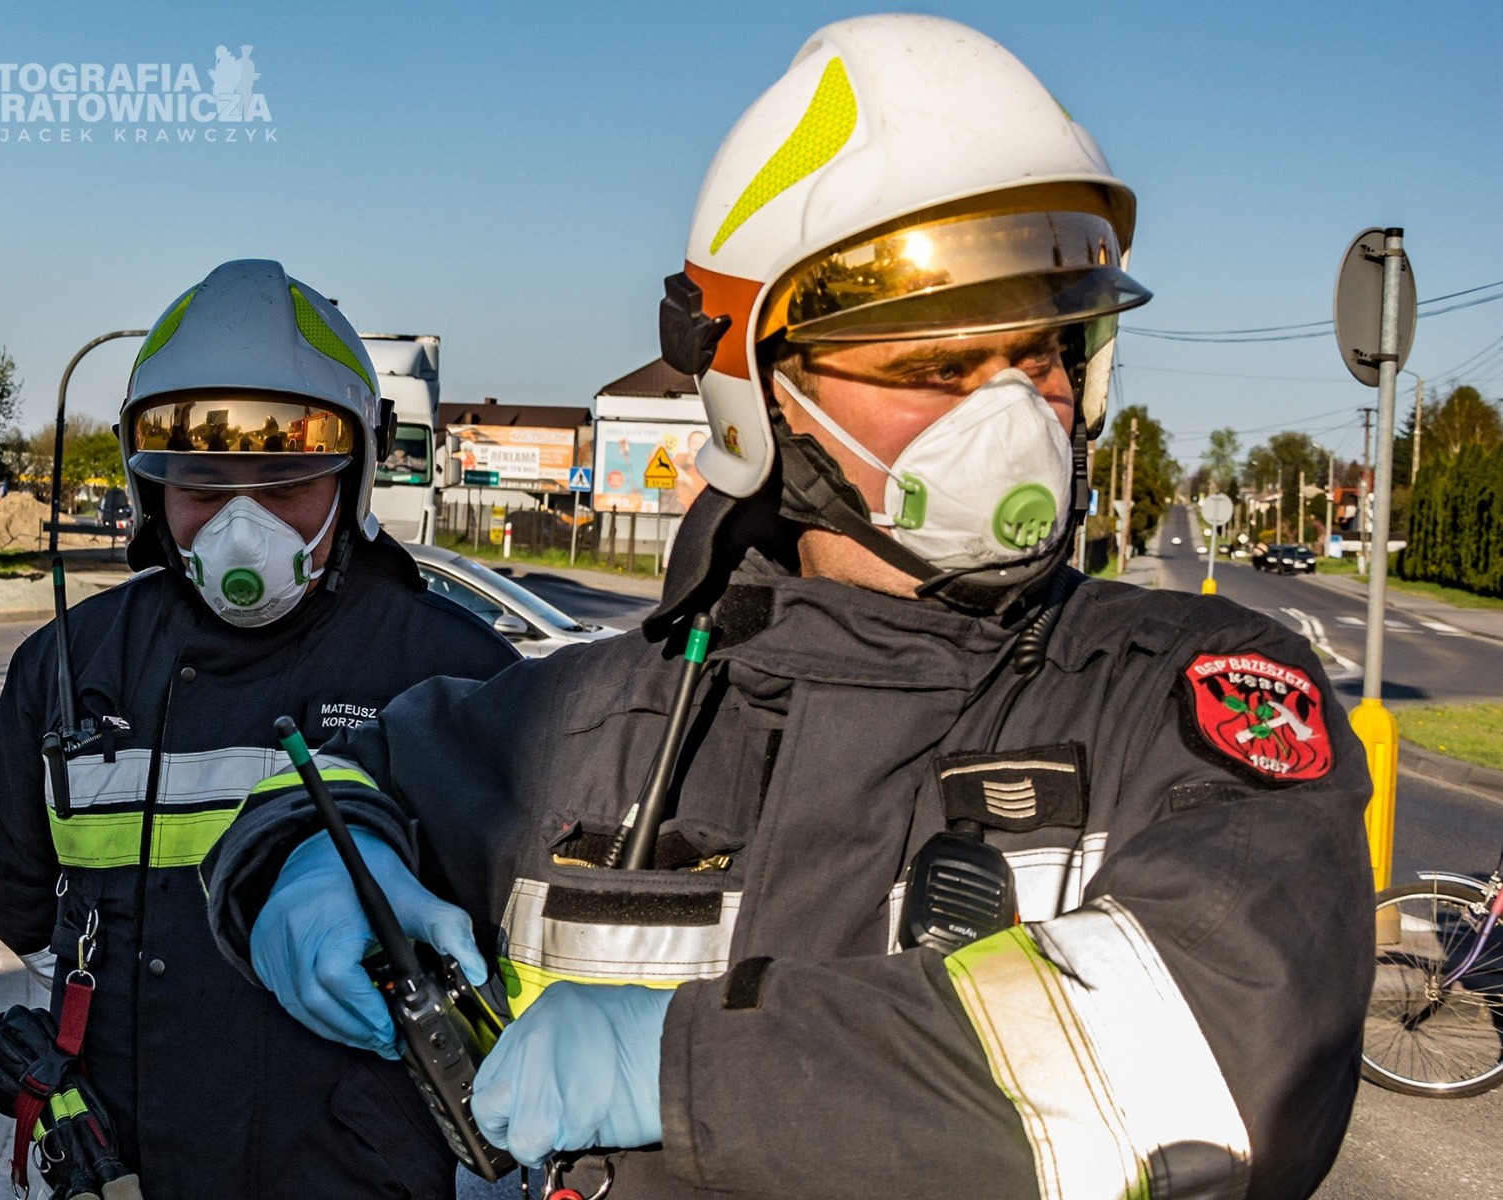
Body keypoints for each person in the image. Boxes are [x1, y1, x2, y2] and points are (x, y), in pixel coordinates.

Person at [205, 20, 1373, 1200]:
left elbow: (1218, 1052)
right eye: (934, 365)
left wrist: (669, 1069)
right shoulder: (595, 724)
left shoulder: (1178, 697)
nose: (1020, 413)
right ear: (762, 388)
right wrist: (302, 853)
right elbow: (341, 774)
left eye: (1043, 354)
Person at [0, 259, 519, 1199]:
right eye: (203, 487)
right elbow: (19, 904)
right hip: (131, 1169)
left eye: (283, 484)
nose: (240, 529)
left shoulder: (455, 671)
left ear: (357, 470)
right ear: (148, 485)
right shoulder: (67, 669)